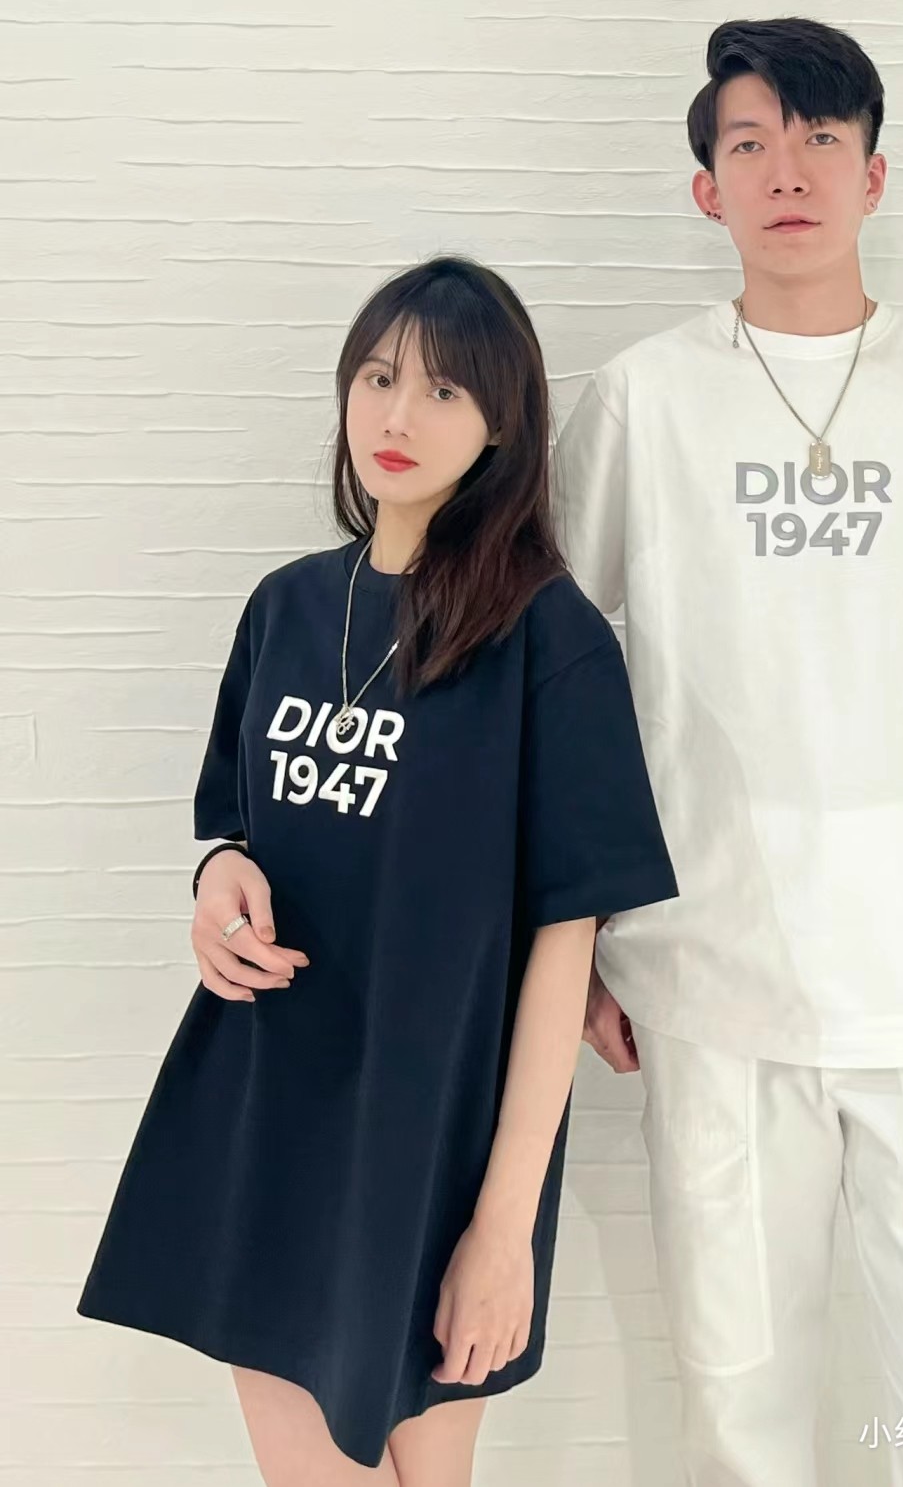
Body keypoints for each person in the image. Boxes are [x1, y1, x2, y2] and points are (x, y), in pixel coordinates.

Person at [554, 17, 903, 1485]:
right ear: (706, 190)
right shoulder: (643, 399)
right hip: (709, 983)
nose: (785, 171)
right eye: (750, 144)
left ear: (873, 176)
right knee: (740, 1421)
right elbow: (561, 686)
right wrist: (580, 935)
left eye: (818, 140)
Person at [75, 257, 680, 1485]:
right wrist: (217, 878)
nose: (398, 415)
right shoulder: (286, 608)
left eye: (445, 390)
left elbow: (563, 943)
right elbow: (239, 830)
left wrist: (501, 1227)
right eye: (378, 376)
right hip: (267, 1104)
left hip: (432, 1141)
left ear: (502, 424)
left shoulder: (549, 640)